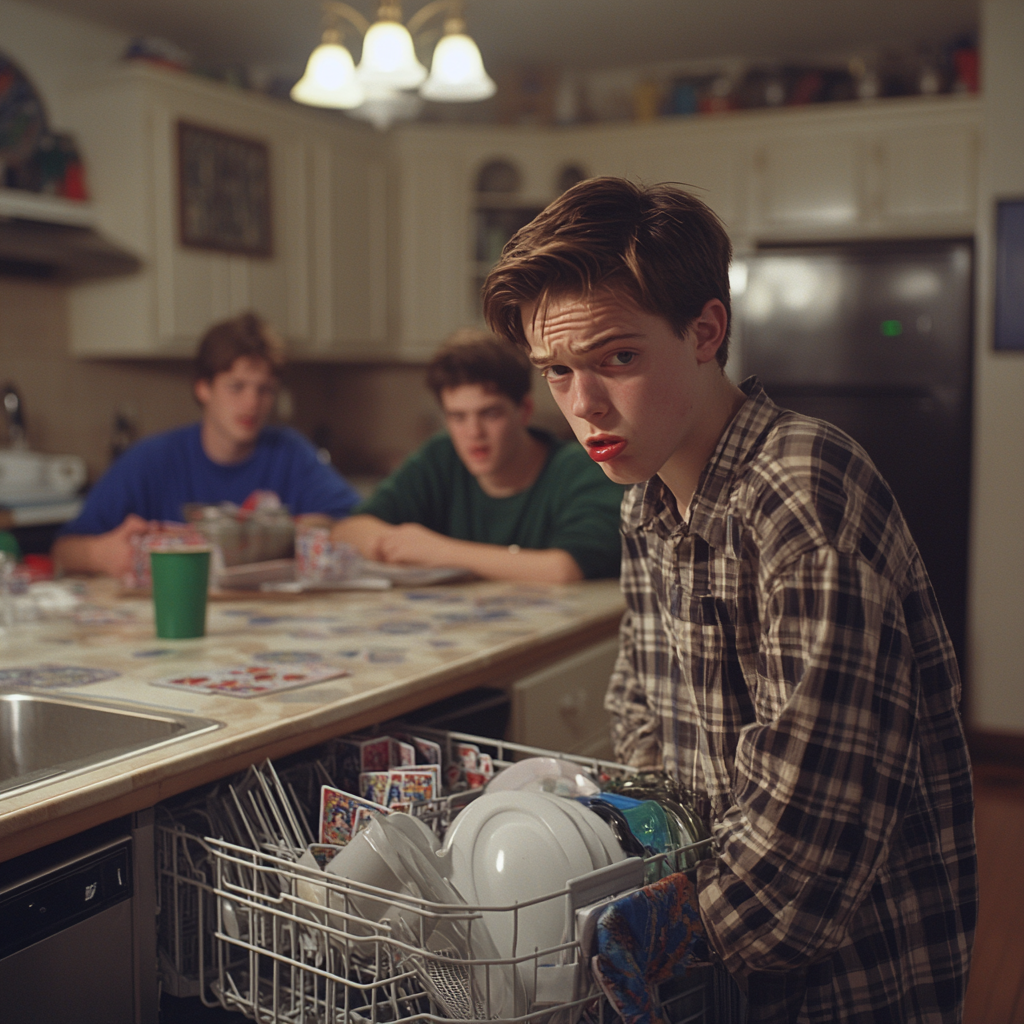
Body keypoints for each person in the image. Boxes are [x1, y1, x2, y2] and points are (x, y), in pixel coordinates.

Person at [482, 178, 977, 1022]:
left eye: (618, 359)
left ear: (706, 331)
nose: (583, 405)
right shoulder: (646, 499)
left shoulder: (800, 490)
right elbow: (640, 708)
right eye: (558, 371)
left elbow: (814, 821)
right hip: (732, 962)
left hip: (847, 974)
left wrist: (680, 924)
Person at [53, 313, 360, 576]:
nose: (251, 403)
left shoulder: (290, 452)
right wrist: (100, 555)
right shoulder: (150, 460)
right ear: (203, 388)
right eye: (236, 387)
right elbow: (63, 550)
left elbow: (353, 520)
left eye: (265, 389)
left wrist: (287, 532)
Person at [330, 330, 624, 583]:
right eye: (457, 417)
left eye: (490, 413)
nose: (474, 432)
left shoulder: (581, 470)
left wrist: (439, 552)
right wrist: (396, 545)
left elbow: (564, 569)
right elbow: (347, 531)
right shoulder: (441, 457)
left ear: (524, 410)